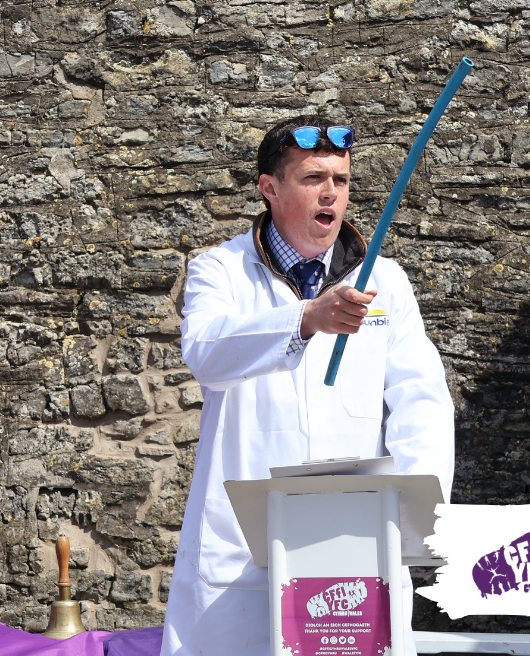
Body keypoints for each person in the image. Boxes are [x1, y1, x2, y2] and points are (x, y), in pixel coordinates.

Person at [160, 115, 455, 656]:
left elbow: (422, 401)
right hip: (241, 557)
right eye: (313, 178)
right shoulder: (219, 271)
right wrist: (305, 319)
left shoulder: (384, 281)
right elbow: (206, 352)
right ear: (269, 189)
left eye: (340, 180)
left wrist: (414, 516)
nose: (330, 193)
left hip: (356, 545)